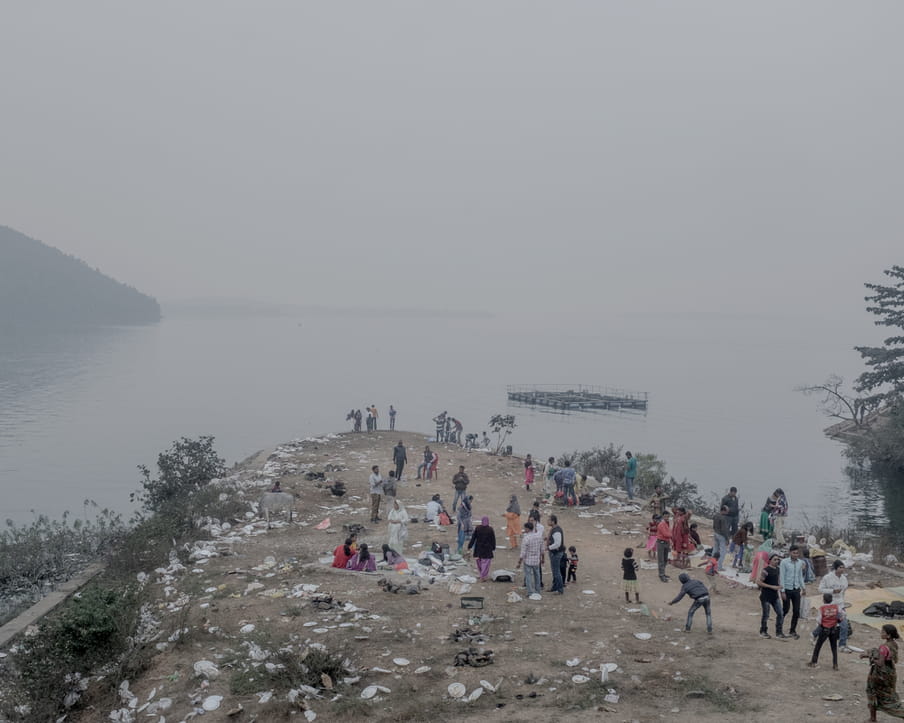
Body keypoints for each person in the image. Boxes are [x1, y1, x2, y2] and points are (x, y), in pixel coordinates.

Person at [861, 624, 904, 720]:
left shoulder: (883, 647)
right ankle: (872, 719)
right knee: (889, 697)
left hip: (880, 675)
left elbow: (880, 663)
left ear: (888, 635)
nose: (881, 633)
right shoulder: (894, 644)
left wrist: (870, 657)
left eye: (883, 632)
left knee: (873, 693)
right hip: (890, 673)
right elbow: (891, 659)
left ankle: (873, 719)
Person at [814, 560, 851, 651]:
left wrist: (842, 602)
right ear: (835, 568)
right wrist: (832, 591)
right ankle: (814, 634)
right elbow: (820, 589)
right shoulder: (827, 577)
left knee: (844, 624)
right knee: (827, 623)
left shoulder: (844, 579)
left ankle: (842, 644)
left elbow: (844, 590)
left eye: (843, 567)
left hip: (840, 605)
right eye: (840, 567)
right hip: (830, 604)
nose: (842, 569)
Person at [808, 592, 841, 670]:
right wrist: (836, 620)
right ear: (832, 599)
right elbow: (841, 615)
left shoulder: (822, 608)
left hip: (825, 629)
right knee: (834, 647)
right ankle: (835, 664)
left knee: (818, 646)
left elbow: (819, 620)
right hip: (834, 628)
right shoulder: (836, 607)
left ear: (823, 600)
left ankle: (814, 662)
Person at [779, 544, 806, 639]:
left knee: (796, 611)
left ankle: (792, 630)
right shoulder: (784, 562)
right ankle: (779, 629)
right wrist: (782, 591)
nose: (795, 555)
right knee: (785, 609)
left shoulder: (800, 563)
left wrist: (803, 587)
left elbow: (800, 576)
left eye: (797, 553)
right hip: (787, 589)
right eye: (794, 553)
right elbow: (782, 576)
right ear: (790, 552)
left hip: (796, 589)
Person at [756, 553, 785, 638]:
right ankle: (763, 631)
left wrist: (780, 589)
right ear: (770, 561)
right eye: (775, 559)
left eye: (778, 560)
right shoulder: (766, 570)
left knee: (780, 613)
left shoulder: (778, 570)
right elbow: (759, 582)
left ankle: (779, 632)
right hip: (766, 596)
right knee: (766, 615)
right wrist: (772, 587)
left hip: (775, 596)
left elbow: (778, 581)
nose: (777, 561)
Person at [516, 520, 544, 597]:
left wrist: (519, 562)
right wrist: (543, 559)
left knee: (528, 576)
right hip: (536, 560)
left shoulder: (526, 538)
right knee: (537, 576)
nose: (524, 530)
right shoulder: (539, 536)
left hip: (528, 561)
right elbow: (542, 549)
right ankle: (537, 590)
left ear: (528, 529)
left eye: (525, 529)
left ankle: (530, 592)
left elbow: (523, 553)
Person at [467, 516, 497, 582]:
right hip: (487, 549)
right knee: (485, 563)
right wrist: (493, 547)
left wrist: (469, 546)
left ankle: (481, 574)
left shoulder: (478, 528)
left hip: (478, 548)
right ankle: (483, 576)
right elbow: (493, 539)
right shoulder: (490, 529)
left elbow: (473, 538)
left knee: (479, 563)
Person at [547, 514, 566, 594]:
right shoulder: (554, 529)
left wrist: (548, 547)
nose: (547, 521)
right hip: (554, 553)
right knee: (554, 571)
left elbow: (557, 544)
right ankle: (555, 587)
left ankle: (560, 589)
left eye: (549, 520)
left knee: (556, 572)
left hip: (556, 553)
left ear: (553, 521)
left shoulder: (556, 531)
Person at [712, 505, 731, 572]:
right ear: (723, 510)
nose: (727, 513)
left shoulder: (715, 515)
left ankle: (712, 563)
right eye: (727, 511)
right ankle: (719, 566)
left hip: (716, 533)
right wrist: (727, 539)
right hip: (721, 535)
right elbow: (724, 530)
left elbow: (713, 526)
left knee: (715, 549)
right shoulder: (722, 518)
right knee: (723, 551)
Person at [656, 511, 672, 582]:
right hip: (661, 543)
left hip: (666, 542)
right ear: (663, 516)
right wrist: (672, 534)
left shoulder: (666, 523)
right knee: (661, 560)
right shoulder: (661, 524)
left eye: (668, 516)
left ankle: (663, 573)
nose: (667, 518)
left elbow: (668, 533)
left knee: (665, 559)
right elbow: (666, 534)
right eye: (665, 516)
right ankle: (661, 575)